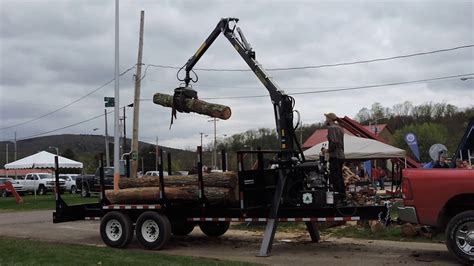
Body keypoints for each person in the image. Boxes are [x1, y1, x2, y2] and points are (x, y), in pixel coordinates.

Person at [324, 112, 346, 201]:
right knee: (340, 177)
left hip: (335, 156)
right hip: (341, 156)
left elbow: (334, 142)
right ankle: (342, 196)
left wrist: (327, 151)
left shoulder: (331, 128)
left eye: (326, 118)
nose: (325, 120)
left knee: (335, 178)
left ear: (329, 119)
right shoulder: (340, 128)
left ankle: (337, 197)